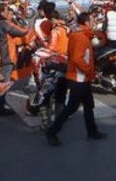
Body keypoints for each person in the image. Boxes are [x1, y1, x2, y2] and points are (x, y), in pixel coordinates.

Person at [46, 12, 107, 146]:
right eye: (92, 20)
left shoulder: (82, 35)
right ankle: (51, 131)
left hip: (82, 78)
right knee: (71, 108)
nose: (93, 22)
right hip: (78, 78)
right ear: (86, 23)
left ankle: (92, 131)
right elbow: (77, 59)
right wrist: (89, 71)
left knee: (88, 106)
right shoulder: (80, 38)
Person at [0, 3, 29, 115]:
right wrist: (25, 25)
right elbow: (22, 32)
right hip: (6, 57)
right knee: (5, 83)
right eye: (7, 10)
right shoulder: (5, 24)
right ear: (2, 12)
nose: (9, 12)